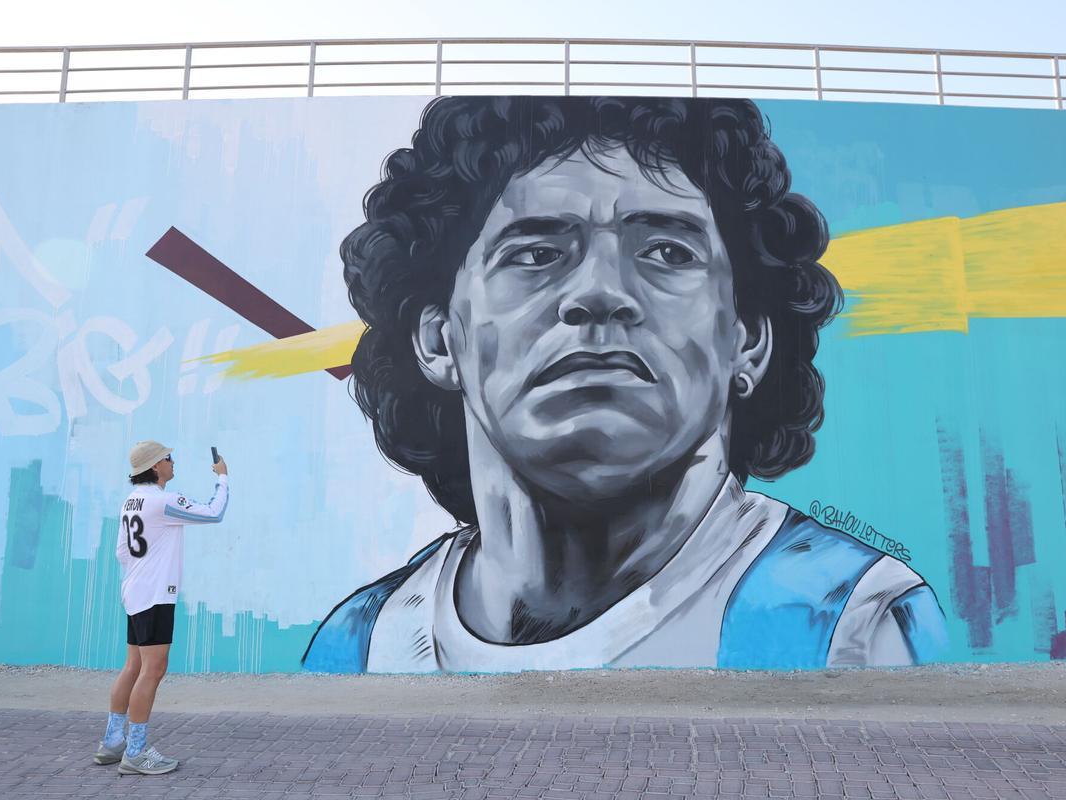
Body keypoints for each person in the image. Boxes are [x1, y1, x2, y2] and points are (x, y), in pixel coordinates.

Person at [303, 96, 948, 674]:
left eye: (668, 251)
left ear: (746, 339)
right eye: (535, 253)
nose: (600, 293)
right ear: (439, 339)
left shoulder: (851, 630)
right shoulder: (360, 647)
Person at [94, 441, 228, 775]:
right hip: (155, 596)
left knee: (132, 667)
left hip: (135, 591)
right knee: (153, 670)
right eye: (168, 458)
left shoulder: (130, 501)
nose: (172, 462)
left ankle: (112, 743)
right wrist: (223, 478)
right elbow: (214, 512)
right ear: (156, 466)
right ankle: (136, 752)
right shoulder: (164, 501)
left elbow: (121, 553)